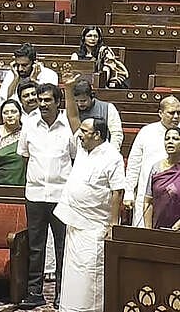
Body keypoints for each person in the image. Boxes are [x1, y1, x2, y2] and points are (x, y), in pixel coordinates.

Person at [53, 118, 125, 312]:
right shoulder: (84, 149)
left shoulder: (113, 157)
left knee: (89, 274)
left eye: (85, 131)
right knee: (72, 273)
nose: (79, 134)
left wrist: (112, 225)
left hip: (95, 226)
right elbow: (73, 117)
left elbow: (117, 191)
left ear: (97, 135)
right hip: (75, 221)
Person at [16, 83, 76, 309]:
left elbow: (74, 157)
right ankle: (34, 293)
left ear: (58, 102)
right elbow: (24, 156)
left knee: (62, 248)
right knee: (36, 246)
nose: (42, 104)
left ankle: (62, 294)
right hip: (35, 194)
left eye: (47, 100)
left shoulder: (67, 126)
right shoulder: (29, 125)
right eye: (40, 100)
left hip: (61, 195)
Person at [125, 95, 180, 227]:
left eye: (179, 112)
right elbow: (134, 164)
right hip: (147, 196)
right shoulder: (146, 132)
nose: (176, 116)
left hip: (176, 199)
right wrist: (128, 192)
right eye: (172, 113)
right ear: (160, 113)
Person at [0, 43, 58, 108]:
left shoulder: (50, 75)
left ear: (34, 63)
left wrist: (33, 81)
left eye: (24, 65)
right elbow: (2, 102)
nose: (20, 69)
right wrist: (15, 79)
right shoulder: (12, 74)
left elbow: (47, 103)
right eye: (17, 65)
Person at [143, 127, 180, 230]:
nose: (170, 142)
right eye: (167, 138)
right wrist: (148, 229)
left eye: (175, 139)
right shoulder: (156, 168)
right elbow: (148, 201)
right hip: (157, 229)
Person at [70, 79, 123, 148]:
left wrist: (112, 152)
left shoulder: (108, 108)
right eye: (76, 101)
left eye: (83, 101)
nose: (79, 104)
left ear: (92, 96)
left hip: (103, 152)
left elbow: (116, 134)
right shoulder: (71, 111)